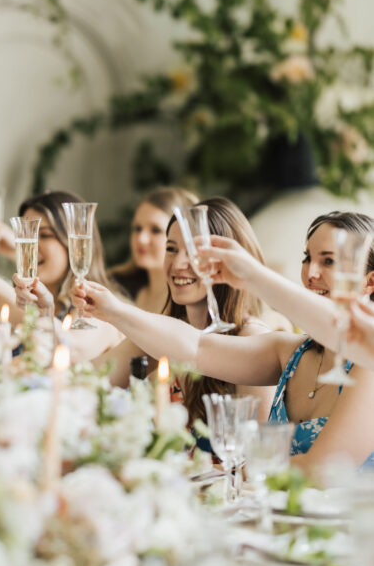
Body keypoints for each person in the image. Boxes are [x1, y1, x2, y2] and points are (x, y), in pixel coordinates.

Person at [74, 210, 374, 474]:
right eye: (307, 258)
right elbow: (197, 347)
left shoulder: (369, 366)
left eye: (329, 261)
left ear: (369, 282)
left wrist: (241, 471)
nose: (311, 273)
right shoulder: (290, 352)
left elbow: (320, 471)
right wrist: (114, 310)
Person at [100, 198, 275, 424]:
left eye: (195, 252)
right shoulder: (164, 334)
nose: (179, 264)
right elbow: (93, 378)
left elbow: (254, 451)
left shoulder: (251, 338)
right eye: (171, 249)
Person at [0, 189, 123, 362]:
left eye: (45, 235)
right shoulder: (43, 303)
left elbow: (69, 346)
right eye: (27, 234)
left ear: (75, 246)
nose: (31, 245)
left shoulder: (101, 309)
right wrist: (16, 253)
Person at [109, 186, 199, 314]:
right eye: (137, 228)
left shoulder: (192, 302)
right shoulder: (117, 285)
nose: (141, 239)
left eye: (155, 230)